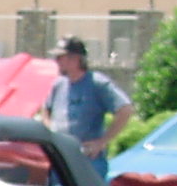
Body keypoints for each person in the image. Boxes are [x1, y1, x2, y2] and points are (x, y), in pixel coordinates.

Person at [41, 36, 133, 178]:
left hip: (88, 161)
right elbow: (46, 108)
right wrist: (50, 130)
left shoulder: (97, 83)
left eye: (60, 57)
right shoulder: (59, 84)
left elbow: (125, 109)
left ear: (75, 59)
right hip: (61, 160)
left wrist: (102, 142)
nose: (56, 61)